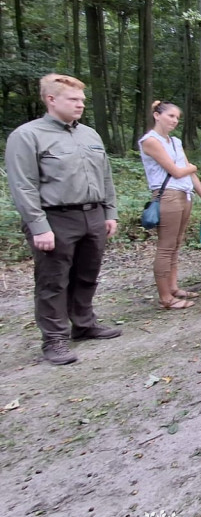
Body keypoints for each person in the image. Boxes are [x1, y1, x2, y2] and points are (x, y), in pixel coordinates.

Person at [5, 74, 122, 365]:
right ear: (51, 99)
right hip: (55, 218)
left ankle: (83, 323)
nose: (80, 104)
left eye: (82, 99)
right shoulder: (27, 136)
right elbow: (23, 185)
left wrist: (109, 212)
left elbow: (105, 176)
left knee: (87, 274)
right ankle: (55, 339)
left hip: (92, 215)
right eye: (73, 99)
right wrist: (38, 226)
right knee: (53, 281)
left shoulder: (90, 135)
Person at [140, 100, 201, 309]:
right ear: (157, 115)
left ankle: (173, 287)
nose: (174, 121)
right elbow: (178, 171)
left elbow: (188, 172)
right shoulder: (150, 141)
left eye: (177, 118)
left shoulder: (175, 142)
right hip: (167, 196)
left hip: (184, 194)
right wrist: (192, 167)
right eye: (171, 116)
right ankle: (165, 297)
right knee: (165, 247)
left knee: (177, 244)